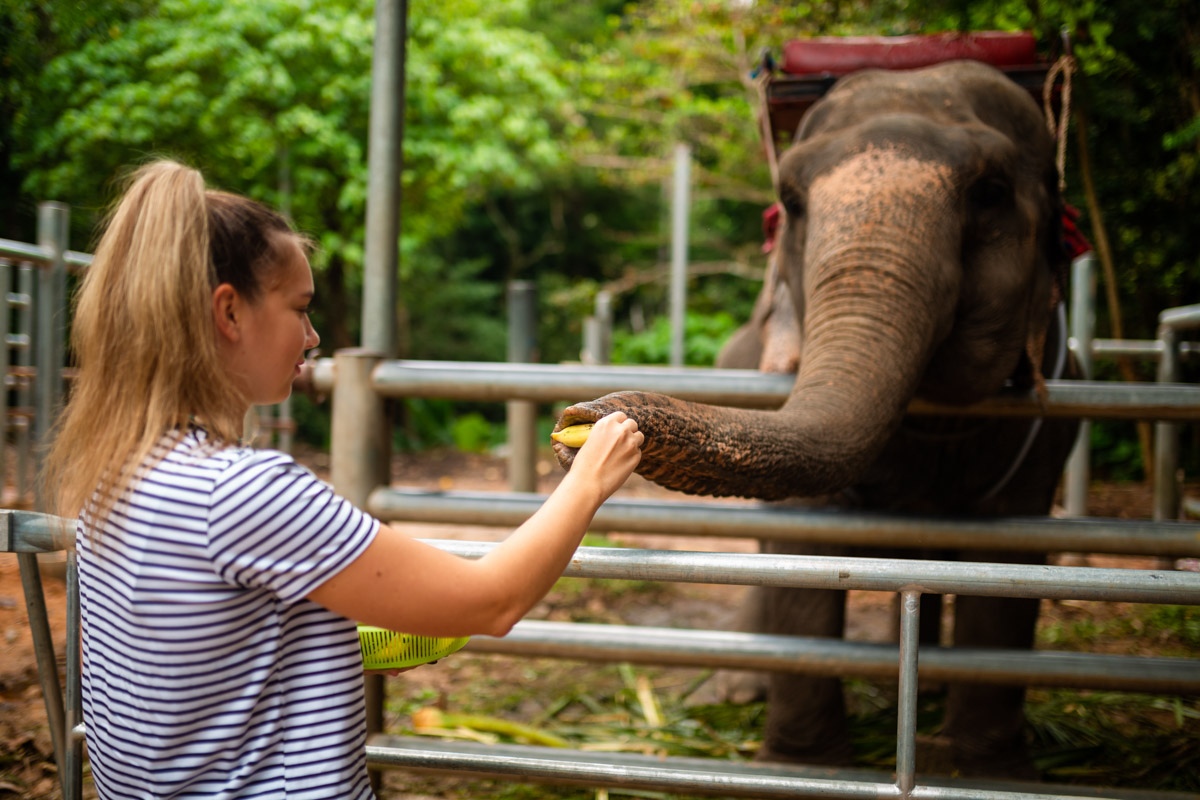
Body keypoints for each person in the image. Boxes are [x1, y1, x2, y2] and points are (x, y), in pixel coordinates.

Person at [42, 159, 643, 800]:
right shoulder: (242, 491)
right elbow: (490, 600)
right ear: (229, 312)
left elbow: (218, 653)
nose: (313, 335)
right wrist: (586, 484)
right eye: (299, 309)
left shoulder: (117, 472)